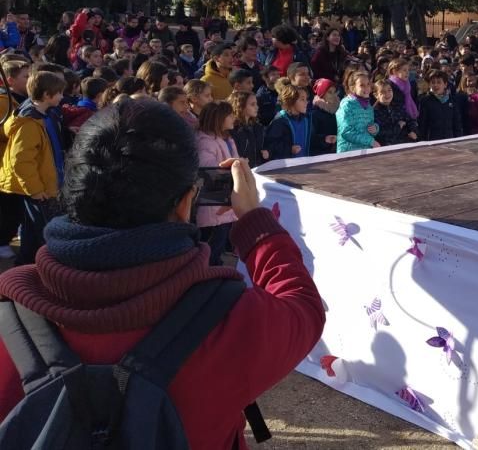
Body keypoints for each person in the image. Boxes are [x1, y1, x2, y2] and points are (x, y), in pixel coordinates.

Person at [0, 99, 325, 448]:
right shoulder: (231, 320)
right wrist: (252, 219)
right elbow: (302, 305)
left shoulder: (8, 315)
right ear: (186, 203)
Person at [0, 71, 67, 264]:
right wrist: (35, 190)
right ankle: (46, 269)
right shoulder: (29, 123)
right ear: (47, 95)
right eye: (60, 93)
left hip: (43, 184)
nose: (62, 97)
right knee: (45, 232)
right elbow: (21, 161)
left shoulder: (45, 115)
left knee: (31, 231)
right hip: (38, 189)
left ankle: (24, 263)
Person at [195, 101, 239, 266]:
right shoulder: (206, 141)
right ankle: (209, 268)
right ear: (219, 118)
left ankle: (215, 263)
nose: (234, 117)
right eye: (230, 115)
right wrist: (233, 164)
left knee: (222, 234)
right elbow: (207, 167)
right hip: (213, 198)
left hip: (224, 195)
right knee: (214, 237)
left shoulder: (226, 138)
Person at [264, 79, 312, 160]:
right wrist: (289, 149)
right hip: (287, 169)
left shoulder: (306, 119)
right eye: (302, 99)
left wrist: (324, 140)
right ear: (291, 101)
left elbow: (311, 140)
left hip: (305, 165)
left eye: (306, 99)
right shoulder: (280, 121)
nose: (306, 102)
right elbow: (271, 146)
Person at [336, 71, 379, 153]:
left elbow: (370, 126)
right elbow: (346, 132)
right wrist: (371, 141)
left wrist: (375, 129)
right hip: (348, 153)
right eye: (362, 85)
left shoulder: (369, 106)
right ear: (352, 88)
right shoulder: (347, 105)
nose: (366, 87)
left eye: (368, 84)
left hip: (366, 151)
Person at [418, 70, 463, 141]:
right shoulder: (425, 100)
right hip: (432, 141)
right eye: (433, 82)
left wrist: (459, 139)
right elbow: (422, 124)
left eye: (439, 82)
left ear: (445, 84)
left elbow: (457, 123)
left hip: (449, 139)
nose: (435, 85)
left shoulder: (452, 100)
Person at [229, 90, 267, 167]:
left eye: (256, 104)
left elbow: (263, 146)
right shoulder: (234, 130)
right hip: (243, 171)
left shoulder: (257, 127)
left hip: (258, 170)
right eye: (252, 104)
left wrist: (267, 151)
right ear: (241, 106)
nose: (257, 107)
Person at [373, 80, 416, 146]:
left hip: (404, 143)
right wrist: (398, 126)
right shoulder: (374, 112)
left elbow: (410, 120)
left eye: (389, 90)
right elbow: (380, 132)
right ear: (376, 95)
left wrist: (412, 131)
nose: (387, 94)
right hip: (387, 147)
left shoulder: (398, 106)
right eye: (383, 92)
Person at [308, 78, 339, 155]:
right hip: (321, 154)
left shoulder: (339, 110)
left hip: (337, 151)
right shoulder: (314, 114)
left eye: (334, 92)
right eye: (329, 92)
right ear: (322, 94)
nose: (333, 95)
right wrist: (325, 139)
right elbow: (311, 138)